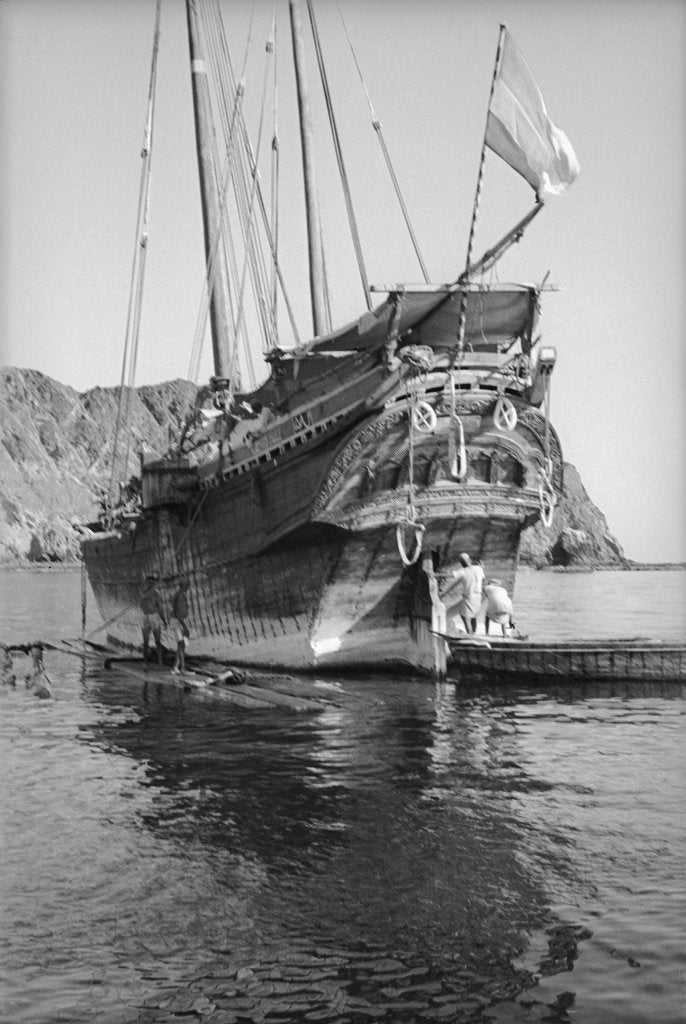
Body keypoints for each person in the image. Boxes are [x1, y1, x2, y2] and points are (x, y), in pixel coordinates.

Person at [444, 552, 483, 634]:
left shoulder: (463, 571)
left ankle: (470, 635)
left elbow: (449, 575)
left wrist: (434, 575)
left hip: (469, 596)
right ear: (470, 560)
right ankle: (473, 633)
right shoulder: (478, 569)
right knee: (473, 616)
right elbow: (483, 579)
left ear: (461, 562)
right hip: (478, 596)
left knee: (465, 617)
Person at [141, 576, 167, 665]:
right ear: (146, 583)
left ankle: (160, 662)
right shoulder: (143, 592)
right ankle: (145, 662)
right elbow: (143, 597)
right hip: (146, 617)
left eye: (152, 583)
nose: (150, 584)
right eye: (149, 582)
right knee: (145, 642)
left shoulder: (157, 594)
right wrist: (153, 588)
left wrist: (164, 620)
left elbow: (160, 608)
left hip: (155, 617)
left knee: (158, 641)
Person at [171, 578, 190, 675]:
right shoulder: (179, 596)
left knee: (181, 645)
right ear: (184, 586)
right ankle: (181, 668)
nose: (188, 587)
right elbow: (178, 613)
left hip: (179, 621)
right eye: (187, 585)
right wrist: (185, 626)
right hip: (179, 621)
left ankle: (177, 667)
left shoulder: (179, 594)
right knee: (181, 644)